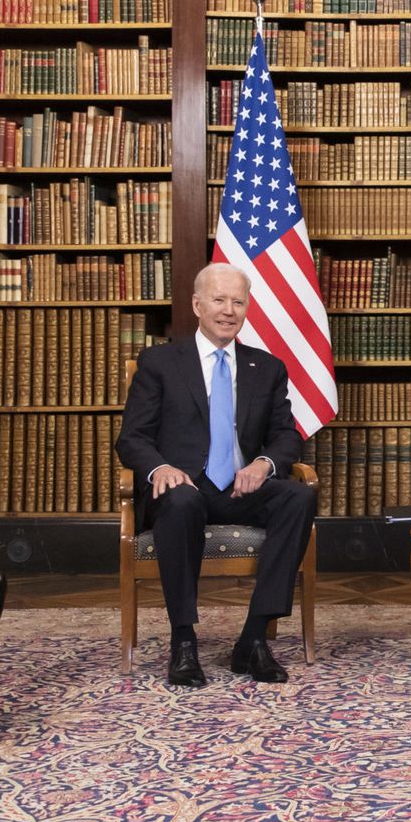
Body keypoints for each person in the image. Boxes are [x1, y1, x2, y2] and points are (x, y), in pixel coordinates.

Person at [116, 262, 315, 687]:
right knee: (183, 500)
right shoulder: (161, 362)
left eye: (238, 302)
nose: (229, 310)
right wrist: (160, 468)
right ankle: (184, 642)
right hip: (182, 488)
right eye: (219, 300)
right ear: (197, 305)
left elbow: (286, 437)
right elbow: (132, 439)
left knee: (298, 497)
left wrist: (265, 464)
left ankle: (253, 639)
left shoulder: (267, 367)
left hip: (241, 487)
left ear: (247, 308)